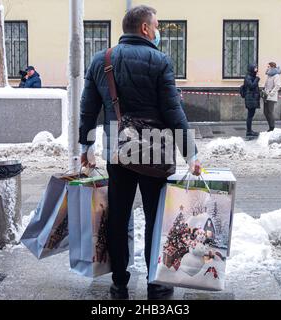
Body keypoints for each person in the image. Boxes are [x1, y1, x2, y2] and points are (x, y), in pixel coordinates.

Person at [79, 5, 201, 300]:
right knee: (155, 218)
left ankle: (119, 281)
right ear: (146, 29)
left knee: (118, 217)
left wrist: (86, 146)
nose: (158, 31)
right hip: (153, 154)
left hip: (119, 153)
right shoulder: (160, 61)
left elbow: (88, 109)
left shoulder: (101, 60)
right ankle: (156, 283)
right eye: (157, 26)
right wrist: (191, 154)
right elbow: (174, 112)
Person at [243, 63, 260, 137]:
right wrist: (257, 80)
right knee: (250, 115)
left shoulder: (252, 76)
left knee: (251, 115)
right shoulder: (248, 77)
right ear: (251, 68)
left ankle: (250, 130)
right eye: (255, 68)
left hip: (252, 98)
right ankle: (249, 131)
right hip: (250, 98)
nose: (257, 69)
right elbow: (252, 86)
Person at [264, 62, 281, 132]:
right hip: (266, 95)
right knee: (265, 112)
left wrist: (271, 93)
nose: (267, 68)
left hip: (271, 97)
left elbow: (277, 86)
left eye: (268, 66)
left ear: (272, 67)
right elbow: (266, 85)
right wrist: (264, 91)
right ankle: (270, 126)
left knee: (270, 112)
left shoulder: (276, 75)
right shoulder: (269, 75)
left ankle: (272, 128)